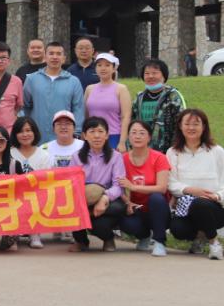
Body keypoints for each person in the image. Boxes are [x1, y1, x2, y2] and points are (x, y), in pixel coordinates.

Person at [167, 109, 224, 260]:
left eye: (196, 124)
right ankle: (199, 237)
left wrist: (216, 196)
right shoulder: (173, 152)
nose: (191, 128)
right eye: (187, 124)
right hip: (186, 208)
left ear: (204, 127)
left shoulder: (217, 152)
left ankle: (214, 243)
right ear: (180, 126)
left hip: (215, 209)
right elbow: (171, 182)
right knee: (177, 229)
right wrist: (189, 189)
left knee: (200, 204)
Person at [69, 117, 126, 253]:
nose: (96, 136)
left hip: (108, 199)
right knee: (71, 207)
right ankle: (81, 241)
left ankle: (108, 238)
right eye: (92, 131)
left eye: (100, 131)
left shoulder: (116, 157)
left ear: (107, 135)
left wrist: (105, 198)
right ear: (84, 135)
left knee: (109, 216)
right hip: (83, 199)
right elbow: (71, 184)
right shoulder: (76, 157)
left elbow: (119, 186)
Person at [118, 120, 171, 257]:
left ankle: (159, 241)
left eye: (142, 133)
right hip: (137, 208)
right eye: (133, 133)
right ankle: (144, 236)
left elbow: (162, 188)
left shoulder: (159, 158)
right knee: (124, 220)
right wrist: (127, 202)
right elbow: (119, 186)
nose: (137, 136)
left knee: (156, 198)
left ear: (149, 137)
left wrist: (133, 187)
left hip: (158, 209)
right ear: (128, 137)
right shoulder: (122, 159)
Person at [22, 41, 84, 143]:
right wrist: (26, 128)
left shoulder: (73, 81)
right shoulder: (32, 79)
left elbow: (78, 109)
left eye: (58, 54)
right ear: (45, 57)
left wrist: (76, 132)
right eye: (51, 53)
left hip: (64, 138)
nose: (55, 57)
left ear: (64, 58)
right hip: (36, 137)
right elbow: (24, 106)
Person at [10, 116, 51, 249]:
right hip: (14, 194)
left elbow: (46, 181)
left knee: (37, 197)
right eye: (21, 131)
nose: (25, 134)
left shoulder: (44, 155)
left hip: (36, 193)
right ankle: (13, 235)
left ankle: (35, 234)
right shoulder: (10, 153)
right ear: (15, 134)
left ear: (35, 132)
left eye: (28, 130)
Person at [131, 58, 186, 153]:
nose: (150, 76)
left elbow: (181, 122)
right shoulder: (139, 98)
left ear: (164, 76)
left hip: (167, 150)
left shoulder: (173, 96)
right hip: (142, 150)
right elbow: (132, 121)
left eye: (155, 73)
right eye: (147, 73)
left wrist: (176, 148)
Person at [84, 52, 131, 151]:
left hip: (113, 136)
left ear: (114, 68)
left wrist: (122, 141)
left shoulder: (121, 89)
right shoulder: (89, 89)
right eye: (99, 65)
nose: (103, 68)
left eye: (107, 65)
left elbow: (126, 116)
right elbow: (86, 115)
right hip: (92, 136)